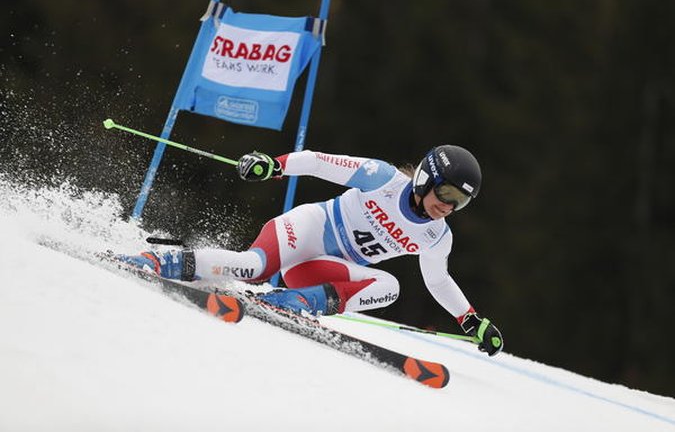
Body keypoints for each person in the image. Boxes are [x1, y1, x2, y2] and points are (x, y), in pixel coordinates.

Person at [120, 145, 504, 356]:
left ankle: (296, 303)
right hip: (308, 229)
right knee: (251, 267)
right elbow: (319, 162)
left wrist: (471, 321)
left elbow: (438, 280)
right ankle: (162, 260)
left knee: (388, 285)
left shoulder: (437, 236)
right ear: (426, 179)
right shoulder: (383, 178)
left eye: (461, 203)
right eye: (447, 194)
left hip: (322, 269)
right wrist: (274, 166)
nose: (449, 207)